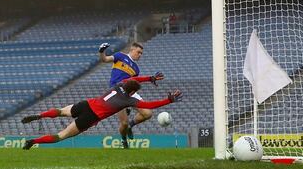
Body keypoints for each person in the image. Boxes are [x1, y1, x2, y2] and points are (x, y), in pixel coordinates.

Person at [20, 79, 182, 149]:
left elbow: (135, 78)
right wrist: (168, 100)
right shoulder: (130, 101)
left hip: (86, 104)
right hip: (91, 116)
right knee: (60, 136)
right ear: (132, 91)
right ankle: (32, 141)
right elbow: (149, 105)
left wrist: (147, 78)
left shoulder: (119, 85)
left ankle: (40, 115)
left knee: (61, 111)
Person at [98, 41, 164, 148]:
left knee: (147, 113)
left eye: (141, 53)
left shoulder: (136, 69)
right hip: (117, 93)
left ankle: (130, 126)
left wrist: (150, 79)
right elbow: (104, 59)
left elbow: (135, 81)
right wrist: (102, 51)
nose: (140, 55)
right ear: (132, 50)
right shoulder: (120, 56)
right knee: (123, 123)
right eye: (138, 52)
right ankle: (124, 140)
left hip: (130, 93)